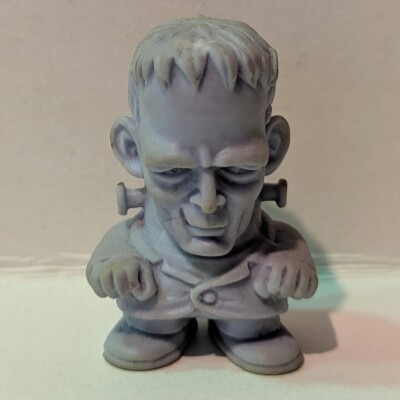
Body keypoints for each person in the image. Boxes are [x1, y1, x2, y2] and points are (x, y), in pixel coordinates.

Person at [87, 17, 318, 374]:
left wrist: (293, 266)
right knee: (148, 320)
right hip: (156, 302)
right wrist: (114, 267)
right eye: (173, 172)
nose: (208, 202)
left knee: (253, 325)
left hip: (248, 304)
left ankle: (253, 332)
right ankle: (149, 329)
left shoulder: (264, 238)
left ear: (272, 149)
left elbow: (287, 244)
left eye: (237, 170)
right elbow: (117, 245)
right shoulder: (142, 235)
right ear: (132, 149)